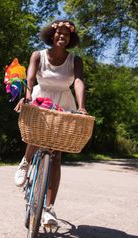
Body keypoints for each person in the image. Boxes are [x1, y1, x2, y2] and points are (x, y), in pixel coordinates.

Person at [14, 19, 87, 227]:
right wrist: (27, 96)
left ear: (70, 38)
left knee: (56, 155)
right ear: (51, 35)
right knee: (37, 134)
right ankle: (26, 162)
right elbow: (29, 77)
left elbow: (79, 82)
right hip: (40, 98)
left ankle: (48, 209)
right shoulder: (38, 55)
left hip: (64, 102)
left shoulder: (75, 61)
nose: (62, 36)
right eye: (59, 33)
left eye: (67, 34)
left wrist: (81, 107)